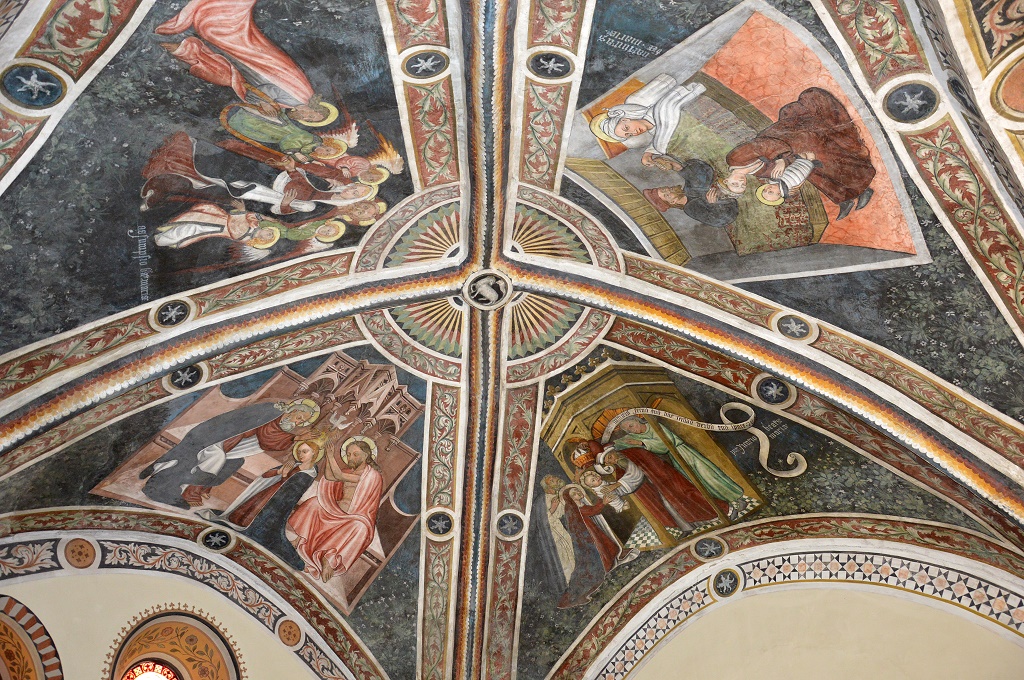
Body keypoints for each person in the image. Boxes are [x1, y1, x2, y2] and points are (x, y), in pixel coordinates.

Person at [155, 0, 336, 123]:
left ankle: (180, 45)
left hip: (254, 70)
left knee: (216, 60)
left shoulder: (296, 101)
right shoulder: (298, 98)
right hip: (256, 67)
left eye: (309, 120)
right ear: (314, 109)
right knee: (219, 36)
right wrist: (264, 102)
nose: (306, 119)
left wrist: (263, 104)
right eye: (311, 116)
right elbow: (269, 89)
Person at [721, 87, 875, 220]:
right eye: (742, 186)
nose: (741, 182)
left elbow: (763, 145)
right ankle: (844, 199)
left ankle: (863, 187)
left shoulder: (735, 159)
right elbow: (784, 171)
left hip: (791, 135)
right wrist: (793, 184)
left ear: (726, 180)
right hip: (792, 151)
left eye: (735, 183)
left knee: (826, 159)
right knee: (812, 172)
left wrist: (780, 160)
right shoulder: (755, 173)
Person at [138, 398, 320, 509]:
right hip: (216, 439)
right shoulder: (271, 411)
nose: (297, 422)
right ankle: (168, 489)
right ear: (293, 409)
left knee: (232, 462)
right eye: (299, 417)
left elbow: (269, 441)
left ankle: (188, 490)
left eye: (301, 422)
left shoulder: (280, 421)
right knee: (214, 459)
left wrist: (294, 438)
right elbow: (267, 435)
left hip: (229, 446)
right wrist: (295, 438)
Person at [287, 437, 384, 583]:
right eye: (348, 454)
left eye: (355, 454)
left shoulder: (372, 476)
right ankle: (299, 540)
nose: (350, 458)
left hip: (356, 517)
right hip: (336, 509)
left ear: (366, 455)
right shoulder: (348, 471)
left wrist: (331, 456)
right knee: (315, 503)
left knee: (360, 528)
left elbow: (338, 475)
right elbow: (330, 476)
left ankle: (329, 560)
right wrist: (328, 458)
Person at [613, 416, 744, 514]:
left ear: (637, 420)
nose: (632, 430)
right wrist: (612, 445)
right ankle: (727, 506)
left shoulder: (654, 426)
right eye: (628, 430)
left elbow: (666, 444)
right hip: (675, 458)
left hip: (684, 453)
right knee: (697, 482)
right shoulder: (636, 437)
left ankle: (738, 499)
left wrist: (641, 443)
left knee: (709, 476)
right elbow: (621, 442)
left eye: (631, 425)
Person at [588, 74, 706, 170]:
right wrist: (648, 154)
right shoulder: (656, 138)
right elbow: (662, 138)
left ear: (625, 119)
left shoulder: (652, 107)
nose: (634, 132)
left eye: (626, 128)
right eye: (628, 135)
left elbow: (672, 82)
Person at [642, 159, 739, 228]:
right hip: (733, 204)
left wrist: (677, 168)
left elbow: (705, 170)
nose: (668, 190)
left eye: (664, 189)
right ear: (672, 202)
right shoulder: (691, 208)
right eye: (666, 195)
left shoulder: (688, 191)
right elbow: (720, 221)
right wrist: (714, 204)